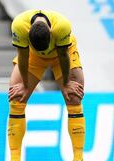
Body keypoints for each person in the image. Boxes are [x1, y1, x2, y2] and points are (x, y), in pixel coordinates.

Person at [8, 9, 85, 161]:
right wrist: (24, 84)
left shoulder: (62, 26)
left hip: (61, 53)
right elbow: (23, 56)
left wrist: (66, 83)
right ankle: (14, 158)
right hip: (32, 55)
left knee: (74, 95)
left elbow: (63, 55)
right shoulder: (19, 25)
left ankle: (78, 157)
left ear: (51, 33)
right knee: (16, 97)